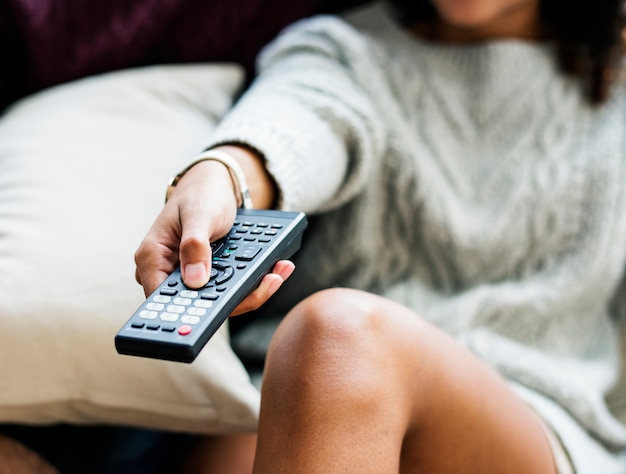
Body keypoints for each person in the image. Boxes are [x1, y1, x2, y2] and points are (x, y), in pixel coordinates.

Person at [134, 0, 626, 472]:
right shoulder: (344, 52)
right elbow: (301, 119)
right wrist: (220, 176)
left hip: (526, 425)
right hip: (300, 405)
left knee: (339, 335)